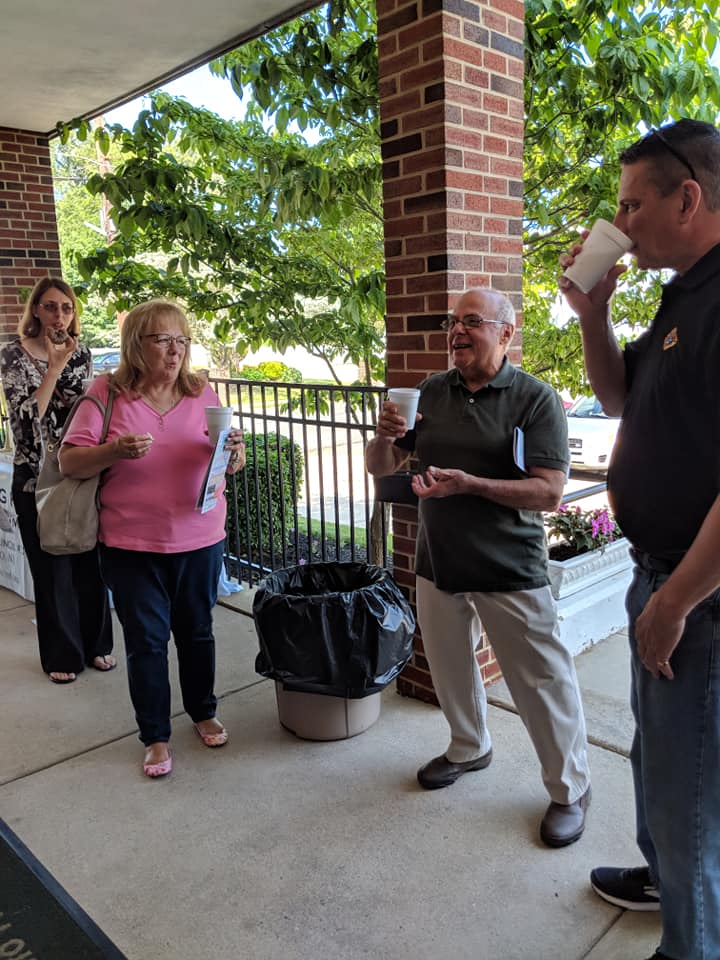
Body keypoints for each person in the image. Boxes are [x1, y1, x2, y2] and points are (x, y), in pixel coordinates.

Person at [559, 118, 720, 960]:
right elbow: (622, 399)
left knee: (690, 797)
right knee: (657, 760)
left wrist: (676, 602)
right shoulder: (682, 291)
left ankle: (690, 944)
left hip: (700, 596)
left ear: (687, 198)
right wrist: (594, 315)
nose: (618, 223)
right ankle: (665, 884)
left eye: (631, 204)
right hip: (658, 575)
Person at [365, 287, 591, 847]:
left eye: (471, 321)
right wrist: (384, 437)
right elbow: (381, 466)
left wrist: (470, 485)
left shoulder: (535, 399)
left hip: (509, 563)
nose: (456, 331)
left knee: (541, 679)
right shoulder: (431, 392)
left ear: (505, 333)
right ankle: (469, 747)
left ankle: (570, 788)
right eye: (452, 322)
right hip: (438, 558)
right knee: (449, 667)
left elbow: (549, 492)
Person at [59, 299, 246, 779]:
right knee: (146, 643)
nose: (175, 350)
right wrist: (112, 451)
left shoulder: (201, 391)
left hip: (201, 538)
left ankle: (203, 710)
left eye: (182, 340)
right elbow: (69, 461)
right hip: (131, 545)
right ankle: (155, 735)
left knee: (198, 632)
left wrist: (235, 454)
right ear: (136, 345)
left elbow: (225, 457)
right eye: (163, 339)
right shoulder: (107, 392)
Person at [0, 277, 114, 683]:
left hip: (78, 471)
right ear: (35, 310)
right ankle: (62, 656)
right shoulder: (12, 355)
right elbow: (25, 424)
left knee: (89, 561)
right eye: (50, 307)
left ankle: (97, 645)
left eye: (66, 308)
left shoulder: (80, 353)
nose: (59, 316)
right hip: (34, 478)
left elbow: (86, 412)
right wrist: (54, 368)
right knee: (51, 570)